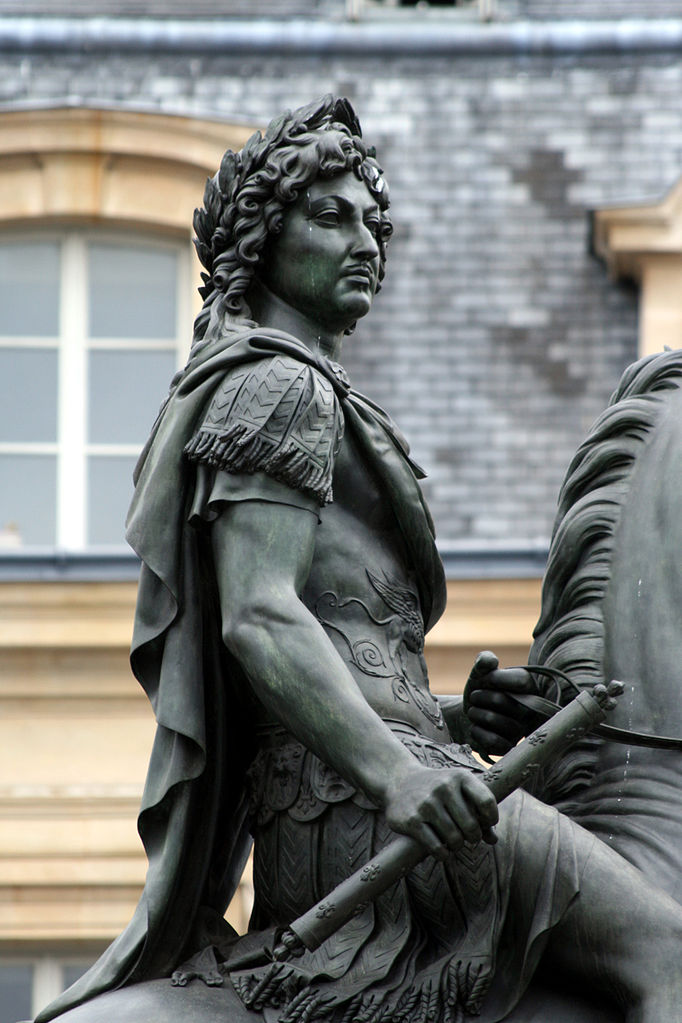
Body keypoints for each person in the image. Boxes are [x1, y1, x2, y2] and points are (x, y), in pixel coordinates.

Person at [37, 97, 682, 1023]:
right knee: (666, 949)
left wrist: (456, 714)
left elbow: (328, 649)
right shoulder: (280, 385)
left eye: (373, 222)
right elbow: (259, 617)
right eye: (330, 216)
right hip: (363, 806)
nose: (364, 241)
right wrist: (402, 772)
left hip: (343, 794)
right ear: (263, 238)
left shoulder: (280, 386)